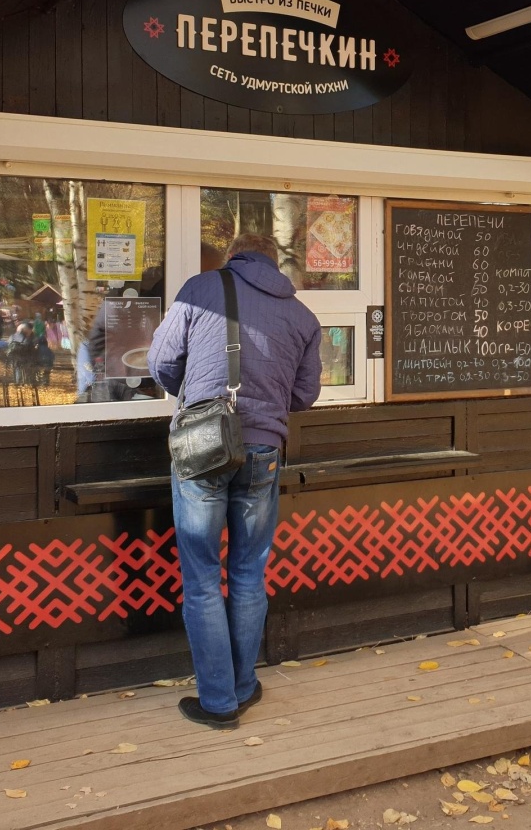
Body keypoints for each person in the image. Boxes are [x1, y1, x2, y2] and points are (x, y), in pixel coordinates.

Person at [148, 233, 322, 728]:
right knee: (249, 571)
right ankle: (243, 687)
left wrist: (199, 391)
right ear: (273, 263)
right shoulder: (302, 316)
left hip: (204, 444)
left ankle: (219, 702)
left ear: (235, 258)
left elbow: (161, 363)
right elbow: (304, 394)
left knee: (202, 574)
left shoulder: (200, 290)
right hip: (264, 448)